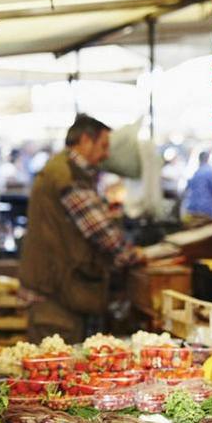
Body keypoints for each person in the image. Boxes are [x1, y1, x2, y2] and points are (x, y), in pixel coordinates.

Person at [20, 114, 144, 344]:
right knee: (54, 371)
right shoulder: (68, 177)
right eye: (104, 145)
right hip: (56, 298)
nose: (107, 155)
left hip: (56, 293)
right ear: (86, 140)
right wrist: (132, 255)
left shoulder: (62, 169)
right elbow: (104, 234)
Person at [182, 151, 212, 223]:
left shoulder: (195, 173)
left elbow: (187, 190)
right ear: (208, 159)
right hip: (209, 211)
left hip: (194, 209)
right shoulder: (211, 172)